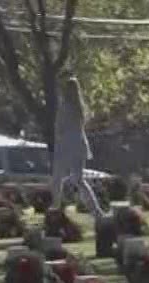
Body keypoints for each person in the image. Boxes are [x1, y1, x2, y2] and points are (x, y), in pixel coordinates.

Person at [52, 76, 103, 215]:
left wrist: (58, 140)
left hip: (66, 144)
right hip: (79, 143)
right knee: (79, 180)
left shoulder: (64, 107)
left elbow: (59, 127)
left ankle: (55, 206)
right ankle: (95, 209)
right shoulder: (80, 107)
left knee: (57, 177)